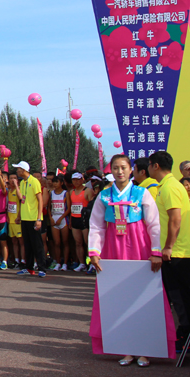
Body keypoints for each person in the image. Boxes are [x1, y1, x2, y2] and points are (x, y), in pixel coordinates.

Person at [88, 153, 173, 366]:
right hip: (113, 248)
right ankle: (124, 347)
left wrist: (155, 252)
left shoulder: (142, 193)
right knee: (116, 297)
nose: (120, 172)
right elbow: (97, 226)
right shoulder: (105, 196)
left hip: (139, 246)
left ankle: (146, 349)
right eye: (115, 168)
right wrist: (95, 252)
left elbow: (154, 224)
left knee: (144, 297)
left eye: (124, 167)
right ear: (111, 170)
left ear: (131, 170)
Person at [149, 151, 190, 353]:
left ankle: (186, 335)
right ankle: (183, 333)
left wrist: (168, 247)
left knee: (180, 297)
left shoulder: (170, 187)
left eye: (149, 165)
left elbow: (175, 219)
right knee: (177, 296)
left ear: (155, 166)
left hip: (178, 254)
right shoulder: (168, 186)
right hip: (176, 252)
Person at [14, 162, 46, 278]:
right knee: (27, 244)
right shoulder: (22, 182)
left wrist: (38, 218)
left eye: (18, 169)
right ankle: (29, 268)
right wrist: (19, 215)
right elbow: (21, 199)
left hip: (33, 218)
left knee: (37, 244)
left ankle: (42, 268)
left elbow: (40, 200)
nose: (17, 171)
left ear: (23, 170)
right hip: (25, 218)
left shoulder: (34, 181)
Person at [70, 172, 93, 272]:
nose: (76, 181)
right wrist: (70, 221)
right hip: (75, 219)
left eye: (78, 179)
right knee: (78, 243)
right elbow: (71, 207)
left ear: (82, 179)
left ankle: (91, 263)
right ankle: (82, 263)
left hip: (85, 220)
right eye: (74, 180)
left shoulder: (88, 191)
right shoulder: (71, 192)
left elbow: (92, 206)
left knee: (88, 242)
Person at [47, 175, 69, 271]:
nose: (55, 184)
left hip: (63, 220)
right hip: (54, 219)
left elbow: (69, 208)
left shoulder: (65, 193)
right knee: (56, 243)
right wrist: (51, 218)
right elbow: (48, 207)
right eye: (54, 182)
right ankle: (58, 262)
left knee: (65, 242)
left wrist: (62, 218)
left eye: (57, 182)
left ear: (62, 183)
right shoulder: (51, 193)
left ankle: (65, 263)